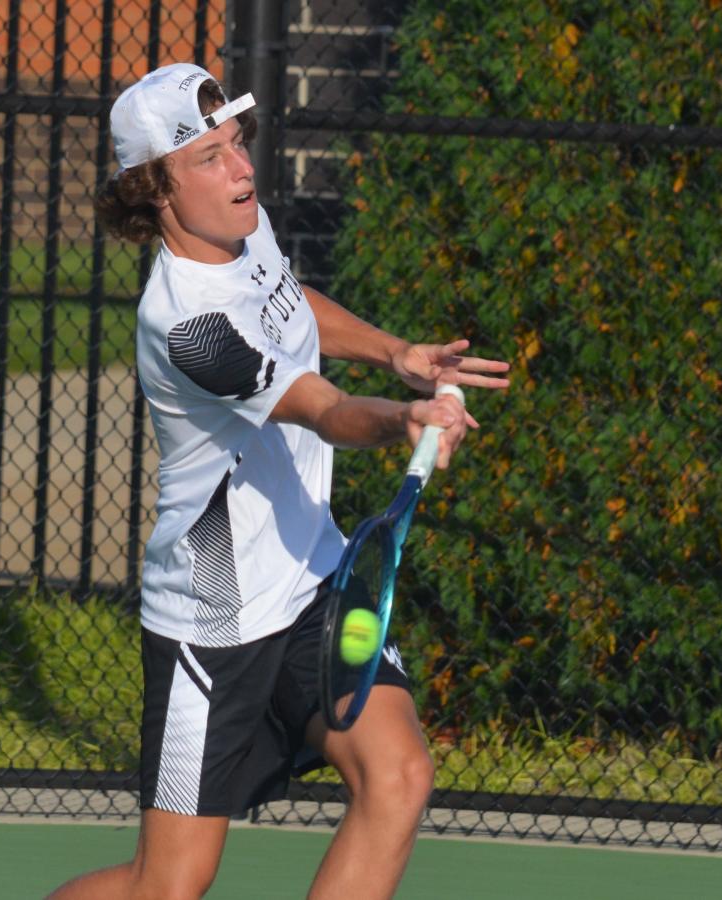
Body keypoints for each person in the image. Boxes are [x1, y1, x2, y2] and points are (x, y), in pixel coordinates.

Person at [47, 63, 509, 900]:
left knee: (397, 776)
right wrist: (402, 419)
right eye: (211, 158)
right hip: (214, 622)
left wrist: (395, 353)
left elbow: (286, 298)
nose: (242, 170)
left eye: (238, 146)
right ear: (154, 189)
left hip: (311, 577)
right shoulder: (187, 326)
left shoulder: (240, 229)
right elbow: (322, 409)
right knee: (169, 886)